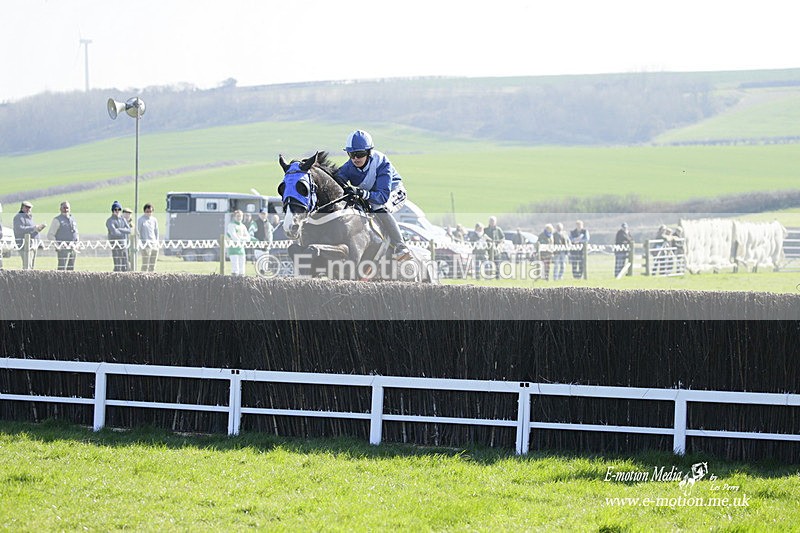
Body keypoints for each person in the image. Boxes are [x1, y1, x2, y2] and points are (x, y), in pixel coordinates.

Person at [335, 130, 410, 260]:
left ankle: (401, 246)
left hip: (393, 192)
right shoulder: (349, 166)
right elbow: (337, 179)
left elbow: (382, 197)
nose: (355, 159)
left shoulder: (382, 163)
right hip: (371, 195)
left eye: (360, 154)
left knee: (379, 208)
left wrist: (360, 193)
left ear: (369, 152)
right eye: (351, 154)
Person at [47, 201, 79, 271]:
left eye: (67, 208)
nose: (66, 210)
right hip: (63, 249)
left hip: (73, 248)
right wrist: (57, 246)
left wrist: (77, 244)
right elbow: (50, 235)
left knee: (71, 269)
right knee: (62, 269)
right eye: (64, 208)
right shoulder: (57, 220)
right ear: (60, 209)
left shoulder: (72, 219)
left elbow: (76, 233)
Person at [13, 201, 45, 270]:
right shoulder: (18, 217)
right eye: (26, 207)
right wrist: (33, 228)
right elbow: (19, 229)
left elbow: (32, 231)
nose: (28, 209)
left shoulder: (29, 218)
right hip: (24, 245)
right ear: (22, 208)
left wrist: (38, 230)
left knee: (31, 266)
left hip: (32, 245)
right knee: (27, 266)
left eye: (30, 208)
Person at [106, 201, 131, 271]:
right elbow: (114, 232)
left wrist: (119, 229)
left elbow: (129, 230)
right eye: (115, 209)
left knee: (125, 265)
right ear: (113, 210)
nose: (117, 211)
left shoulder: (123, 219)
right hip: (115, 246)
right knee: (117, 266)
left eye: (119, 209)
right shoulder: (110, 221)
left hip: (123, 245)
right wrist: (123, 231)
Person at [226, 209, 252, 276]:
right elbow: (234, 238)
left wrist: (240, 237)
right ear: (234, 217)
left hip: (241, 249)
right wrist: (242, 237)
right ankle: (234, 284)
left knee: (242, 269)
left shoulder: (243, 226)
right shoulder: (231, 225)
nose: (239, 218)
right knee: (235, 268)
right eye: (238, 216)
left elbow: (248, 238)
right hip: (233, 249)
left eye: (240, 216)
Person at [137, 203, 160, 272]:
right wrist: (140, 243)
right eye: (147, 211)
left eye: (150, 211)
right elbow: (138, 232)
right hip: (145, 244)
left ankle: (152, 278)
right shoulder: (141, 220)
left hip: (154, 244)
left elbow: (156, 231)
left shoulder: (154, 220)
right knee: (145, 264)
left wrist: (157, 241)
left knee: (153, 264)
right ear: (144, 211)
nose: (149, 213)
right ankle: (143, 278)